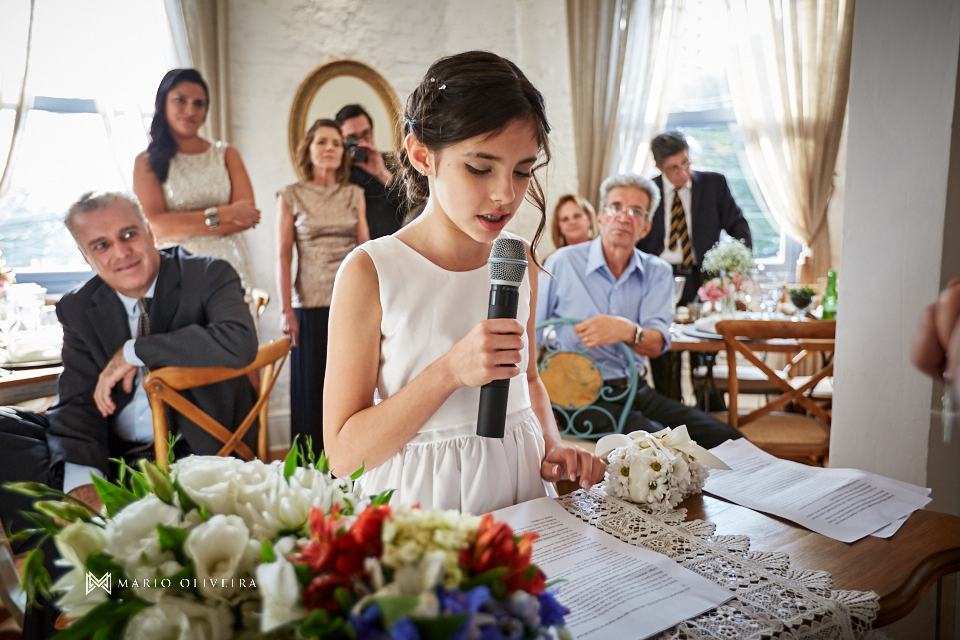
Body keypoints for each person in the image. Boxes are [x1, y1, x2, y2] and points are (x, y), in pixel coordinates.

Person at [323, 51, 605, 515]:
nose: (505, 195)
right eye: (480, 168)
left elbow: (529, 378)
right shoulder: (371, 271)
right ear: (421, 156)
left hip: (518, 482)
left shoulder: (519, 256)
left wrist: (552, 446)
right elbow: (343, 456)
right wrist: (449, 371)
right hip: (419, 501)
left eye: (521, 170)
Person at [0, 192, 258, 639]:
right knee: (6, 428)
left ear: (148, 230)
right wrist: (81, 483)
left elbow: (239, 342)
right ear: (84, 254)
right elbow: (77, 403)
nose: (120, 252)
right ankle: (73, 544)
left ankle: (85, 581)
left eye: (128, 234)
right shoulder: (81, 306)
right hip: (113, 454)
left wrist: (134, 351)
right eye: (101, 245)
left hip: (186, 453)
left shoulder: (208, 274)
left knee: (61, 564)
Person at [537, 173, 743, 450]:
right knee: (666, 447)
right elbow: (530, 335)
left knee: (729, 439)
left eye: (636, 211)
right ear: (600, 218)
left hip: (635, 389)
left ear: (645, 227)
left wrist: (626, 330)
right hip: (576, 393)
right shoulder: (561, 263)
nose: (624, 217)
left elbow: (656, 343)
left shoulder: (657, 272)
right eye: (616, 207)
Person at [639, 131, 753, 403]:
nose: (683, 172)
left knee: (705, 351)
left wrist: (738, 268)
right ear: (659, 167)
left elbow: (739, 228)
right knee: (665, 351)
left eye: (686, 163)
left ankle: (710, 418)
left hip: (704, 281)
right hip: (659, 279)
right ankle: (672, 421)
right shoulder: (646, 192)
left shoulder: (713, 185)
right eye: (673, 168)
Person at [277, 119, 369, 456]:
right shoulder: (291, 195)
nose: (329, 148)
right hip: (309, 306)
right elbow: (283, 255)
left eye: (336, 143)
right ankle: (306, 471)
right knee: (310, 391)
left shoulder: (354, 194)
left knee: (350, 390)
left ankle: (349, 465)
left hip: (352, 304)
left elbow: (366, 250)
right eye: (321, 142)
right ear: (308, 150)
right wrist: (286, 310)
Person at [133, 68, 260, 310]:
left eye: (199, 103)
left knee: (236, 341)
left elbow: (246, 218)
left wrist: (182, 224)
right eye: (180, 100)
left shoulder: (226, 154)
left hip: (230, 267)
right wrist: (226, 213)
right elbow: (158, 227)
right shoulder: (146, 161)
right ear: (163, 102)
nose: (190, 110)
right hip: (176, 275)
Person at [336, 103, 406, 238]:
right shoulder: (336, 173)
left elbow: (413, 207)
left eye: (365, 134)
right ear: (342, 140)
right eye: (352, 138)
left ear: (372, 132)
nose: (361, 142)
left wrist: (382, 174)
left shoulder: (392, 164)